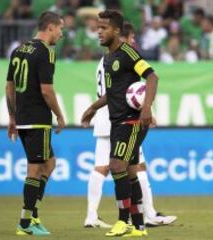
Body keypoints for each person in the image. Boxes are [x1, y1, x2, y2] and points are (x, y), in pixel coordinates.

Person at [84, 21, 177, 229]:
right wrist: (145, 108)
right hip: (122, 117)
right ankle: (145, 215)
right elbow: (133, 89)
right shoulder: (122, 56)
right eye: (132, 38)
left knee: (103, 167)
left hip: (105, 118)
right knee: (134, 167)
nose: (134, 41)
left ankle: (93, 215)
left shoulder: (105, 59)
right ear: (122, 37)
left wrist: (92, 108)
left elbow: (128, 87)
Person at [5, 11, 66, 236]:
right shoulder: (46, 53)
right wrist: (59, 115)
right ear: (50, 27)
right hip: (37, 119)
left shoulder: (19, 50)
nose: (61, 34)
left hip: (22, 118)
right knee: (35, 169)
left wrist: (12, 117)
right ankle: (24, 223)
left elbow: (9, 86)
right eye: (60, 28)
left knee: (49, 164)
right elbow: (46, 90)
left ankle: (34, 214)